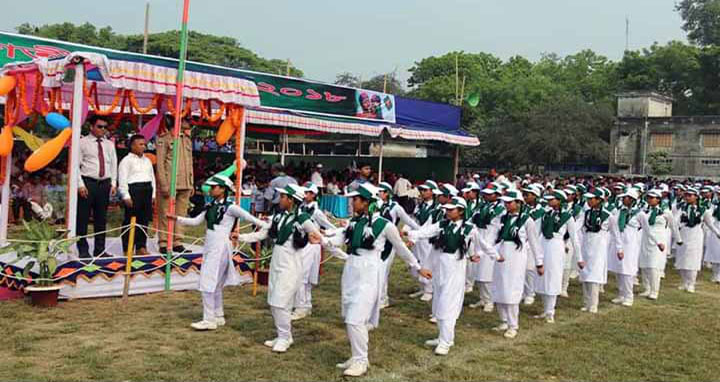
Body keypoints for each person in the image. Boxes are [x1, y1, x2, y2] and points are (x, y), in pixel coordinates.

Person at [323, 183, 431, 377]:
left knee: (356, 318)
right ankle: (355, 355)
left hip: (369, 271)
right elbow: (341, 238)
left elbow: (400, 247)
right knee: (350, 316)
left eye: (355, 200)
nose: (351, 203)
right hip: (351, 270)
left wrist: (417, 266)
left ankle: (361, 360)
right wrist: (324, 240)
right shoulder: (355, 222)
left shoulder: (385, 225)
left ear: (366, 202)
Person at [168, 175, 267, 330]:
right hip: (210, 245)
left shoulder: (231, 207)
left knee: (208, 281)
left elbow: (249, 217)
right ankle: (218, 315)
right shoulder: (210, 205)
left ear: (223, 189)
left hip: (220, 246)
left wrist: (265, 224)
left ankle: (209, 319)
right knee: (216, 283)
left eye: (214, 187)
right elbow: (196, 221)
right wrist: (177, 219)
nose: (211, 189)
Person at [236, 184, 322, 353]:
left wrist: (331, 245)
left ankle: (285, 337)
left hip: (291, 264)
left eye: (283, 197)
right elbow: (262, 234)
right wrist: (240, 237)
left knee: (280, 302)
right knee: (274, 301)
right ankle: (282, 334)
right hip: (277, 262)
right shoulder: (278, 216)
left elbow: (316, 235)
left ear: (291, 200)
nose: (279, 199)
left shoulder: (302, 218)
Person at [407, 196, 477, 355]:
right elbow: (426, 232)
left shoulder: (469, 228)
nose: (447, 211)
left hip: (455, 268)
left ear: (460, 211)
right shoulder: (442, 224)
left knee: (448, 304)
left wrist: (474, 255)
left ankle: (446, 341)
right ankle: (442, 336)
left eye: (451, 209)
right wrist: (412, 235)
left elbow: (475, 245)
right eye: (446, 209)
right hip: (440, 267)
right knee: (438, 301)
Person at [479, 189, 543, 339]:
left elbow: (534, 243)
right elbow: (492, 238)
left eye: (510, 202)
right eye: (505, 202)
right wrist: (482, 253)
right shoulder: (501, 218)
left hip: (517, 257)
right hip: (501, 255)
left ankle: (513, 325)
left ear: (518, 203)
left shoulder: (527, 220)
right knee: (499, 288)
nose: (507, 205)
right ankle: (503, 320)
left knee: (512, 290)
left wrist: (539, 262)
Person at [291, 182, 337, 321]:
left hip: (312, 246)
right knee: (303, 276)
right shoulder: (301, 207)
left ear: (313, 195)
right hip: (303, 244)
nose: (305, 195)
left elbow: (330, 226)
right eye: (304, 192)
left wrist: (327, 234)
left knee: (303, 277)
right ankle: (305, 305)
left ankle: (302, 307)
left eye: (308, 193)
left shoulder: (316, 212)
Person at [536, 190, 581, 323]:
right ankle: (545, 309)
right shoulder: (545, 214)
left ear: (560, 201)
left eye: (552, 199)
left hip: (556, 246)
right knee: (543, 278)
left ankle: (551, 311)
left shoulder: (567, 216)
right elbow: (536, 232)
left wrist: (579, 258)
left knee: (553, 277)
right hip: (544, 244)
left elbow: (574, 238)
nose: (549, 202)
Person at [76, 115, 117, 258]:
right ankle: (83, 250)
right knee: (83, 218)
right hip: (88, 182)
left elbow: (113, 164)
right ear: (91, 127)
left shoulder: (109, 144)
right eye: (100, 126)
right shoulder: (82, 143)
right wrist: (80, 185)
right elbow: (75, 165)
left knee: (101, 218)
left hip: (104, 184)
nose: (103, 130)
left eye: (105, 127)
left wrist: (113, 183)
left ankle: (100, 250)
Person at [377, 181, 420, 309]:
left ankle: (383, 299)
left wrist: (420, 232)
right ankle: (377, 296)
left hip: (390, 242)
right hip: (377, 240)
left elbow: (408, 220)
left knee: (383, 270)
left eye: (380, 191)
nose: (378, 194)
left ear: (387, 193)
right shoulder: (376, 205)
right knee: (377, 269)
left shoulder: (395, 207)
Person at [156, 117, 194, 254]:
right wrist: (164, 184)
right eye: (186, 120)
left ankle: (178, 241)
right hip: (170, 182)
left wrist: (191, 182)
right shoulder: (164, 139)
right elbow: (160, 164)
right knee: (165, 213)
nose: (189, 123)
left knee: (181, 214)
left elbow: (190, 162)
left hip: (185, 182)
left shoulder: (186, 139)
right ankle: (164, 242)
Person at [637, 189, 680, 300]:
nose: (650, 200)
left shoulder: (665, 213)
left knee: (653, 266)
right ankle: (646, 288)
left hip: (659, 240)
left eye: (652, 198)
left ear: (658, 199)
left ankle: (654, 291)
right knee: (644, 265)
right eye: (648, 198)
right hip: (646, 239)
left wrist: (678, 239)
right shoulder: (644, 211)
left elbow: (673, 226)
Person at [468, 182, 505, 312]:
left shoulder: (500, 209)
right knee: (477, 273)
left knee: (486, 275)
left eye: (490, 194)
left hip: (491, 241)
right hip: (479, 238)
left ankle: (490, 300)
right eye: (486, 193)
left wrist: (486, 248)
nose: (486, 196)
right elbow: (472, 219)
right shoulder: (482, 206)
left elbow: (496, 229)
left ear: (497, 195)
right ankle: (483, 298)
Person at [674, 187, 718, 293]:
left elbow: (709, 224)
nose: (687, 197)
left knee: (693, 260)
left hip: (696, 235)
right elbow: (675, 221)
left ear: (696, 197)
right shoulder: (681, 208)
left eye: (690, 195)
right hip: (684, 234)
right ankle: (684, 282)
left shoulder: (703, 210)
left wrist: (717, 233)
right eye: (686, 195)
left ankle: (691, 283)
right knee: (682, 259)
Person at [118, 135, 156, 256]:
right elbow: (122, 179)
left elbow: (152, 178)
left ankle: (141, 246)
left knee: (144, 220)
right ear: (132, 145)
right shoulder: (126, 161)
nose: (143, 146)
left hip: (147, 190)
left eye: (144, 144)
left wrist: (153, 194)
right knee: (130, 220)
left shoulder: (147, 160)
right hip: (134, 190)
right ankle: (127, 247)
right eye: (140, 144)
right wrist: (125, 196)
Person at [577, 188, 611, 313]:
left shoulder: (607, 215)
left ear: (599, 200)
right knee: (585, 274)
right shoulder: (585, 213)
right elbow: (577, 226)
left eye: (591, 199)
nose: (589, 201)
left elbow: (615, 232)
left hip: (599, 247)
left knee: (594, 275)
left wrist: (618, 247)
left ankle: (593, 304)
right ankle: (586, 302)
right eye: (588, 199)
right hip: (586, 245)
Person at [409, 180, 443, 302]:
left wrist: (417, 235)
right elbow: (413, 219)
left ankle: (429, 289)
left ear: (432, 192)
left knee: (426, 262)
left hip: (428, 238)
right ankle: (421, 287)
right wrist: (407, 230)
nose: (422, 192)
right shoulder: (420, 205)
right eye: (421, 190)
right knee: (417, 261)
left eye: (425, 190)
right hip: (418, 237)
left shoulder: (437, 208)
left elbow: (430, 225)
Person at [608, 188, 642, 307]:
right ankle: (621, 293)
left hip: (631, 244)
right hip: (619, 242)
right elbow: (614, 226)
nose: (623, 199)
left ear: (632, 200)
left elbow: (645, 228)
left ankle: (629, 296)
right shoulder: (618, 212)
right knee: (619, 269)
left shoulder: (639, 213)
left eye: (626, 198)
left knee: (628, 270)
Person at [521, 184, 545, 306]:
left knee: (529, 269)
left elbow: (539, 229)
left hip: (533, 242)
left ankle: (530, 293)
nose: (525, 196)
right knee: (521, 269)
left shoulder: (541, 211)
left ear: (535, 196)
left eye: (528, 194)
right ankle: (523, 292)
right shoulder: (523, 208)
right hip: (522, 241)